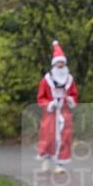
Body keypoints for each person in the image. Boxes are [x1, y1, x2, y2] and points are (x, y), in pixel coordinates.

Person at [36, 41, 78, 173]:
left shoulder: (69, 79)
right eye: (58, 63)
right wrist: (49, 104)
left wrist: (70, 99)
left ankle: (60, 164)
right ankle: (45, 160)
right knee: (48, 136)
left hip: (64, 111)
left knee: (64, 136)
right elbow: (40, 97)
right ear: (54, 64)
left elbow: (74, 94)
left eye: (62, 63)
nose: (60, 65)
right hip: (51, 112)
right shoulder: (46, 79)